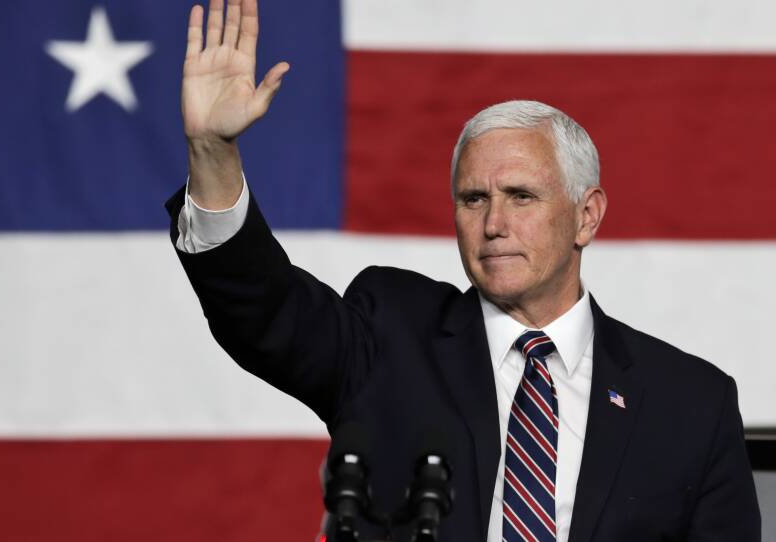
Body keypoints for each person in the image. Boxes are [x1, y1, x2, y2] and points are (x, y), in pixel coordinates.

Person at [166, 0, 762, 540]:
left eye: (522, 196)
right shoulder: (390, 335)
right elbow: (263, 311)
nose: (494, 222)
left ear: (586, 216)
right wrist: (214, 153)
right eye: (474, 199)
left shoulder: (691, 404)